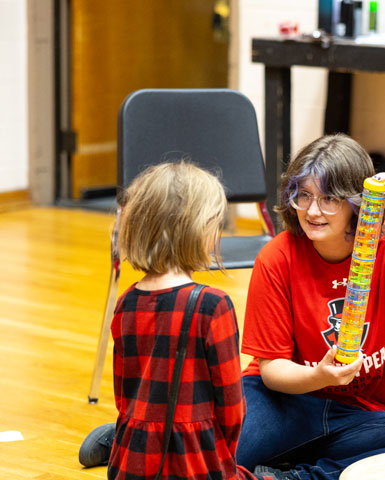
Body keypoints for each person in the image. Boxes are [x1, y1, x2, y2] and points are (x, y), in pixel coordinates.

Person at [236, 133, 385, 480]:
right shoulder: (277, 257)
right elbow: (272, 372)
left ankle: (293, 476)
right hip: (282, 401)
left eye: (329, 199)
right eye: (304, 196)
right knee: (215, 454)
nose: (312, 211)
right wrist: (318, 376)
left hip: (355, 411)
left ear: (355, 204)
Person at [79, 162, 269, 480]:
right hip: (196, 463)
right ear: (200, 230)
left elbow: (124, 397)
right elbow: (233, 409)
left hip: (130, 462)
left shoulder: (126, 301)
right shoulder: (213, 306)